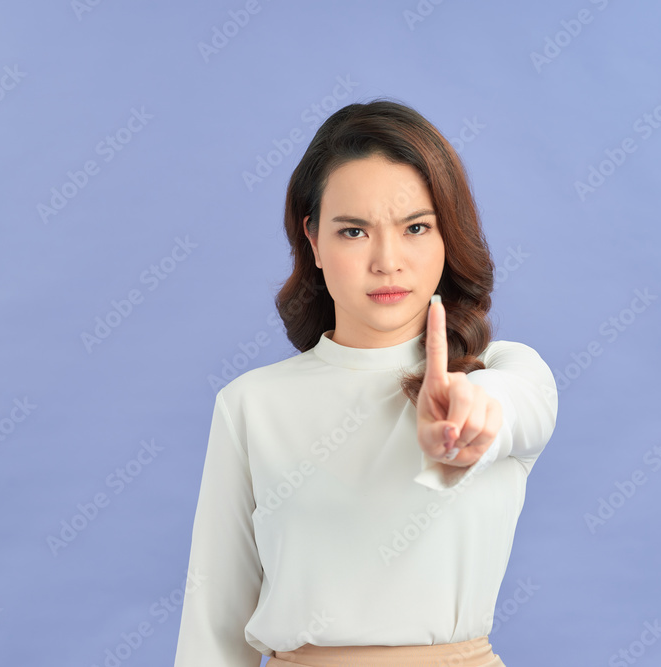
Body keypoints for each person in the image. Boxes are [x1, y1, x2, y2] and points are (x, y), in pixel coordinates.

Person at [173, 99, 558, 667]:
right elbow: (214, 624)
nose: (388, 260)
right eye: (354, 231)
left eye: (416, 228)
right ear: (313, 239)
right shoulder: (250, 405)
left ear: (447, 235)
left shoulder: (503, 372)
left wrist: (465, 418)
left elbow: (510, 410)